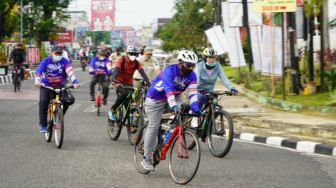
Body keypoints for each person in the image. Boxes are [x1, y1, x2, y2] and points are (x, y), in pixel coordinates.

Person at [141, 50, 203, 171]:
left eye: (193, 66)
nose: (191, 68)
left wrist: (197, 110)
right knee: (154, 125)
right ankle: (146, 158)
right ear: (180, 63)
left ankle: (170, 131)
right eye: (188, 65)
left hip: (174, 97)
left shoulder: (192, 75)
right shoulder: (169, 70)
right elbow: (168, 89)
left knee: (185, 109)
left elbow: (192, 94)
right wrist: (174, 106)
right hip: (155, 99)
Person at [34, 46, 80, 133]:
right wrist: (37, 81)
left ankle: (59, 117)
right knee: (43, 101)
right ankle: (43, 125)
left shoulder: (65, 61)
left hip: (60, 85)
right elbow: (39, 71)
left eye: (60, 54)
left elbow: (70, 72)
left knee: (69, 100)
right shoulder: (46, 61)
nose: (58, 55)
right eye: (56, 54)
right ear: (52, 53)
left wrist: (75, 82)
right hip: (46, 86)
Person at [108, 45, 150, 120]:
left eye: (135, 54)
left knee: (128, 103)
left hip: (129, 83)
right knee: (124, 93)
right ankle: (113, 110)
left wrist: (148, 83)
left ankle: (129, 124)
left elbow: (142, 73)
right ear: (127, 54)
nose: (133, 56)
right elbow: (117, 70)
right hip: (119, 82)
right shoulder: (121, 60)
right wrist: (114, 80)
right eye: (131, 54)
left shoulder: (136, 63)